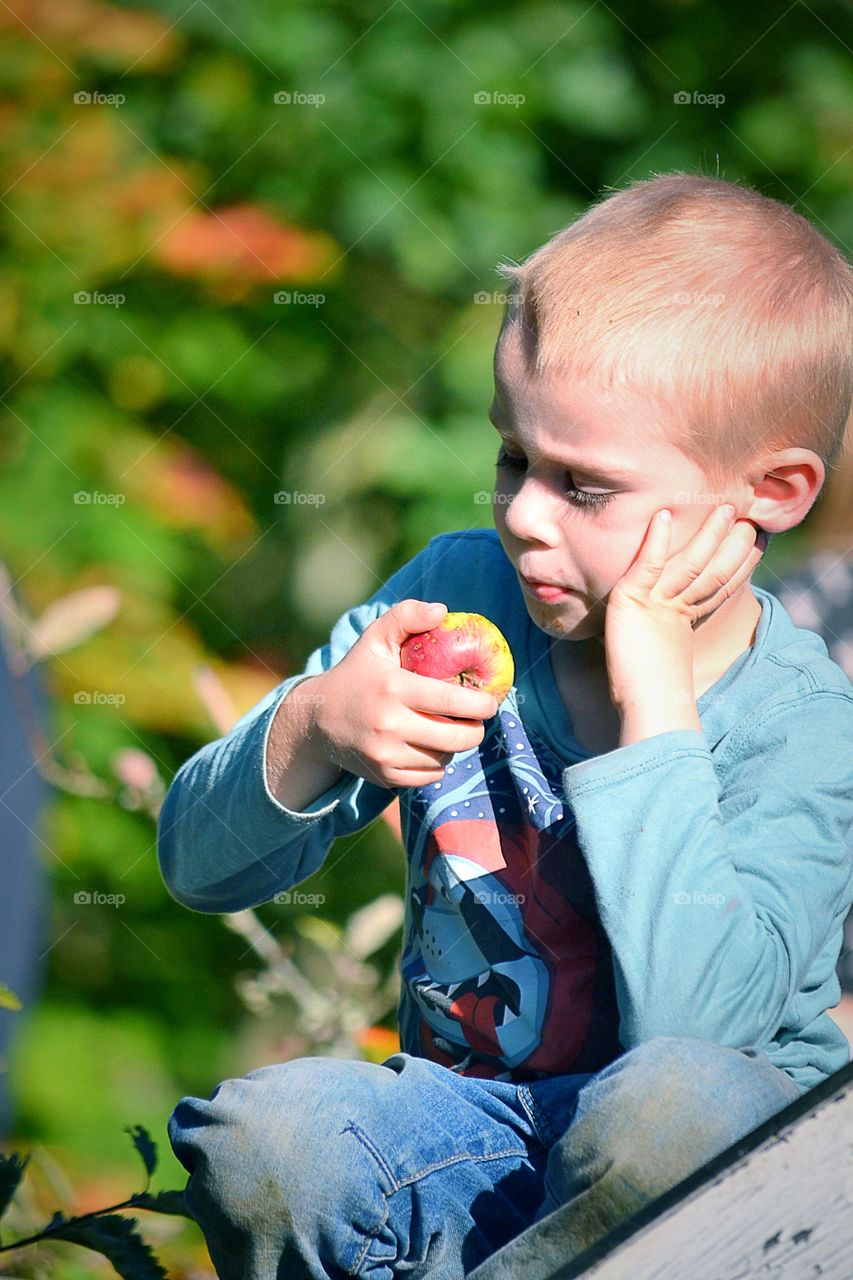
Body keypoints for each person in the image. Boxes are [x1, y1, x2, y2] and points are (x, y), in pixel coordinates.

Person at [157, 172, 853, 1280]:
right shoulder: (453, 591)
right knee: (268, 1137)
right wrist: (317, 729)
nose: (522, 514)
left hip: (727, 1178)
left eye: (583, 486)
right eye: (512, 457)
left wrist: (655, 702)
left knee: (670, 1107)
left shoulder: (802, 718)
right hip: (466, 1128)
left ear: (768, 491)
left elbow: (695, 1031)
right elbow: (196, 864)